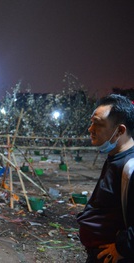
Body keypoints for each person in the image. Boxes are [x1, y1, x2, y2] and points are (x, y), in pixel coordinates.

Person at [77, 94, 134, 263]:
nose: (90, 128)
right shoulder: (114, 157)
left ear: (120, 130)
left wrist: (123, 248)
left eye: (98, 123)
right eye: (91, 122)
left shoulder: (130, 167)